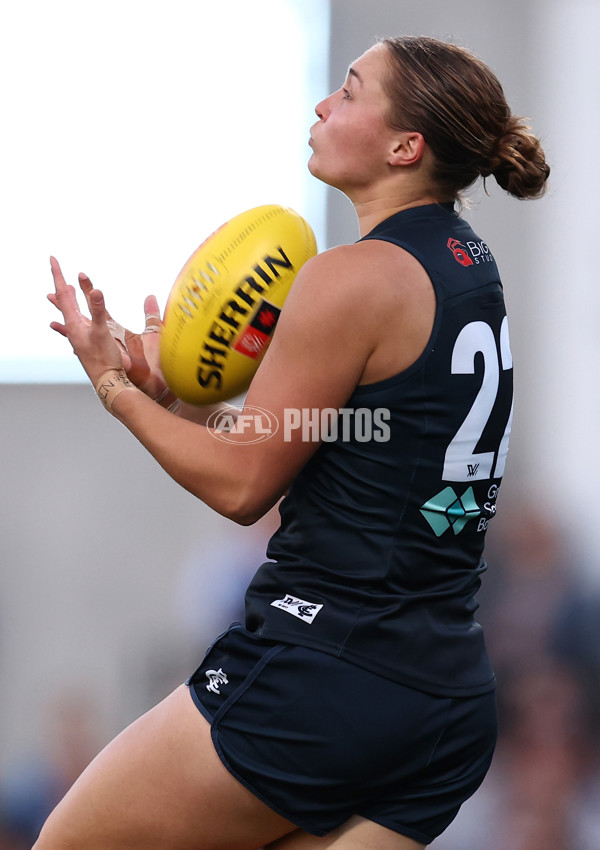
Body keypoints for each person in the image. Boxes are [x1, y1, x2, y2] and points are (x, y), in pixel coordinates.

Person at [38, 35, 549, 850]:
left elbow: (244, 487)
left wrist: (114, 390)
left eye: (349, 91)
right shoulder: (467, 263)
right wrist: (173, 401)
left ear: (404, 147)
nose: (323, 105)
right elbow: (318, 440)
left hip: (323, 677)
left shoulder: (353, 276)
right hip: (443, 701)